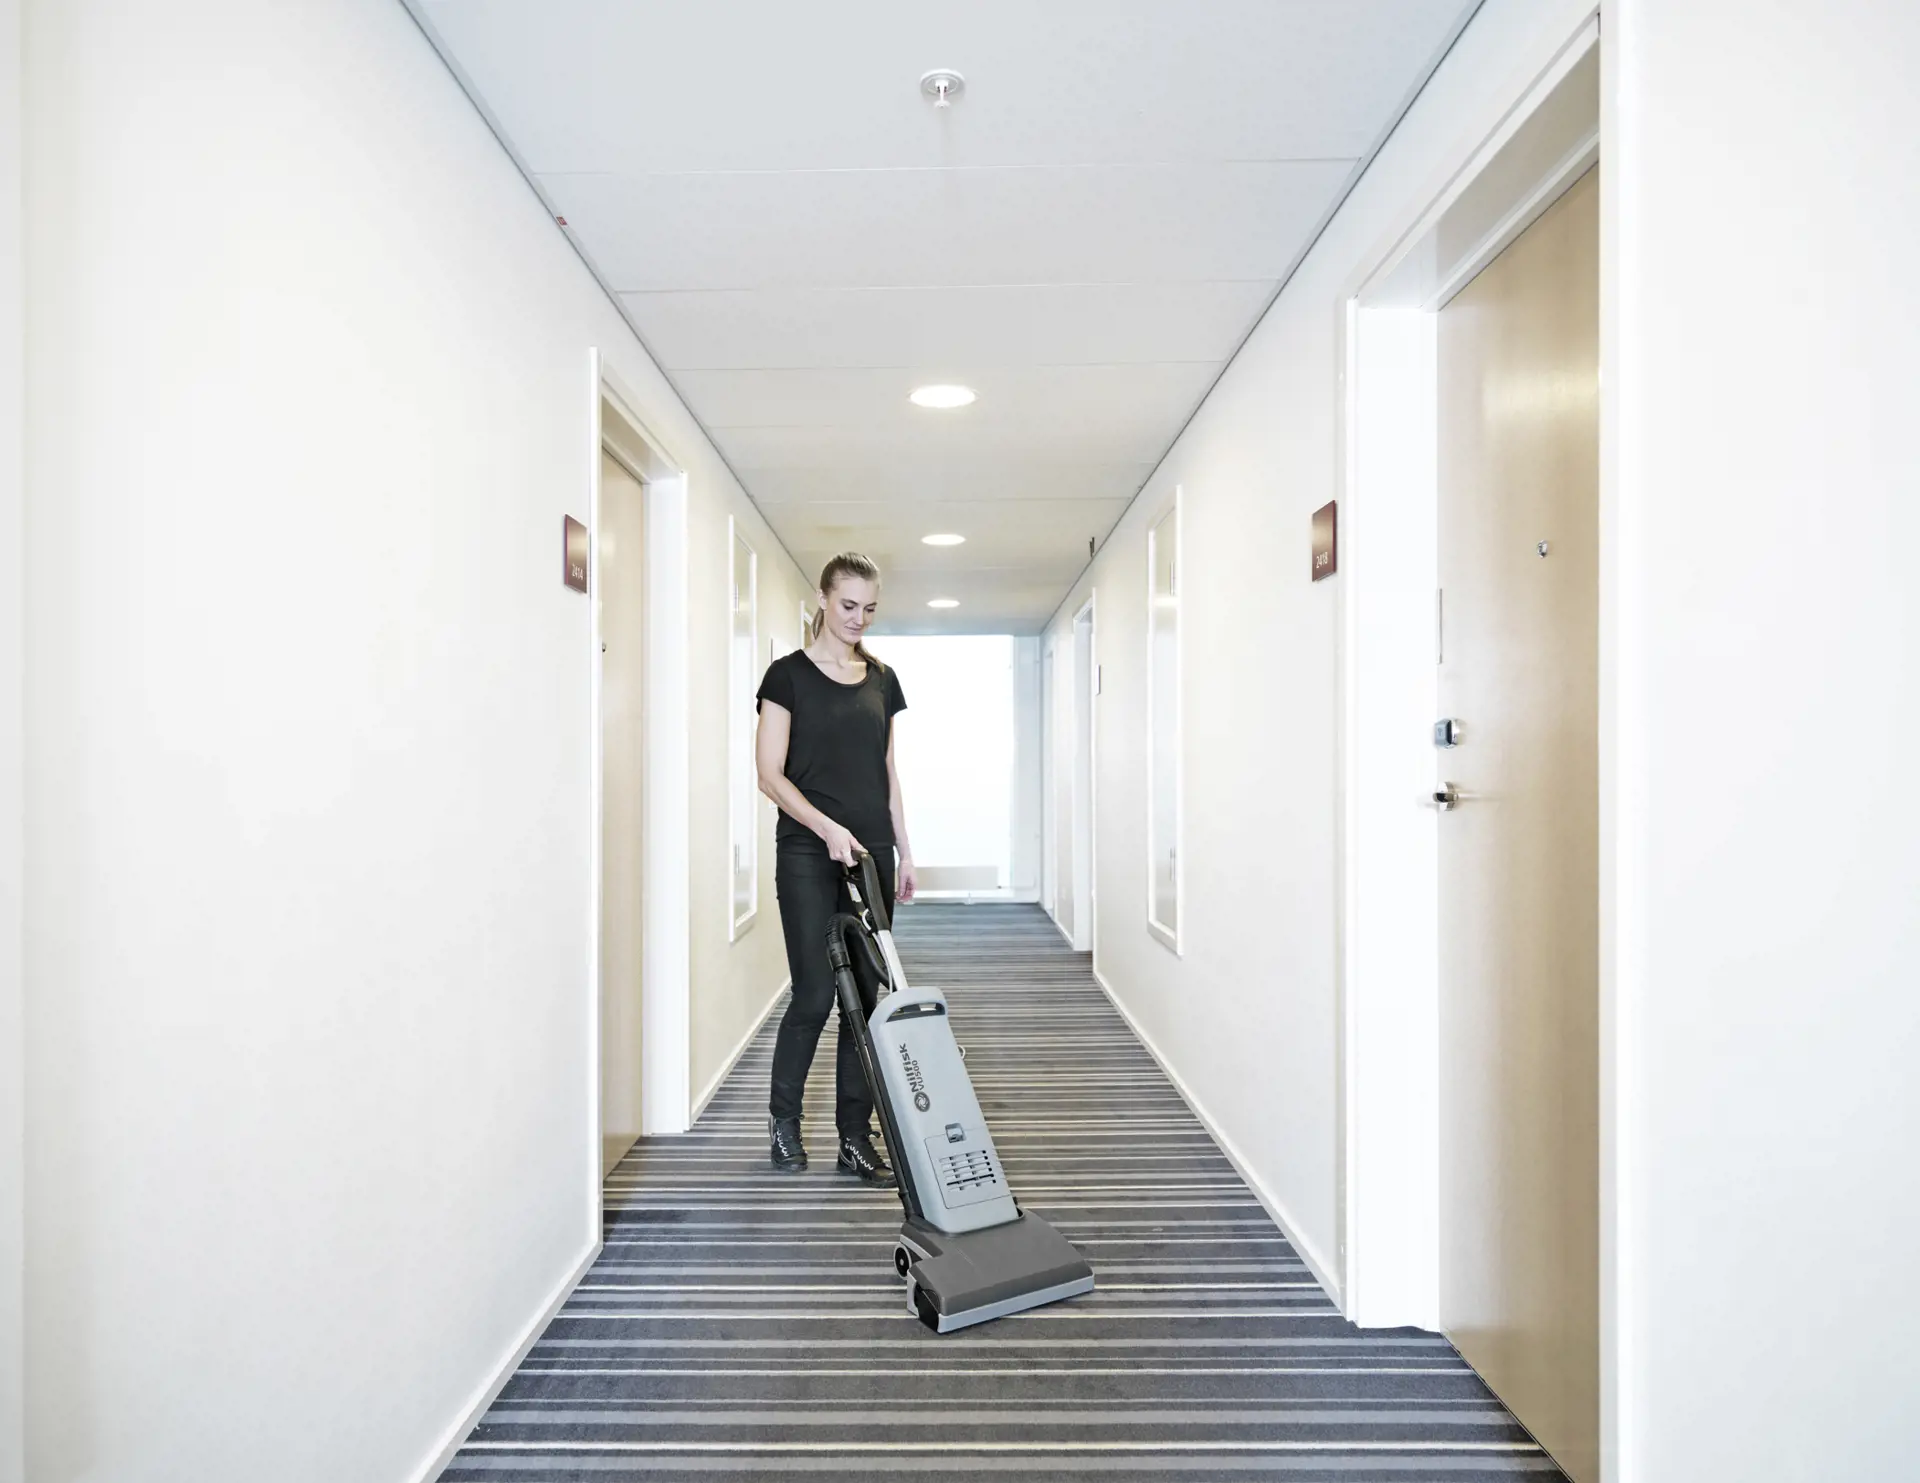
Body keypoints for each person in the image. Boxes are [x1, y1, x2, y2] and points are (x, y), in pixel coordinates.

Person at [754, 552, 917, 1183]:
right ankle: (784, 1123)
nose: (859, 619)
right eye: (849, 605)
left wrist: (904, 849)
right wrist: (826, 829)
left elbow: (887, 772)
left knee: (868, 997)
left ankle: (854, 1136)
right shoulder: (787, 677)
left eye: (870, 608)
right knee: (817, 993)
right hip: (807, 851)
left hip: (870, 853)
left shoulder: (882, 679)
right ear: (823, 598)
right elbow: (769, 775)